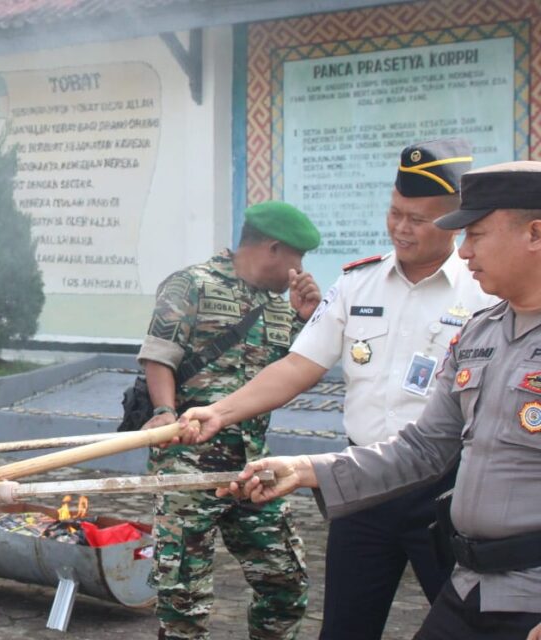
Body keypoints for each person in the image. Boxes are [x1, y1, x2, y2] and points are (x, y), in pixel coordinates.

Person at [178, 140, 496, 639]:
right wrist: (221, 410)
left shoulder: (486, 292)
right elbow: (298, 366)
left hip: (448, 492)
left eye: (417, 218)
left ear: (454, 220)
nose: (400, 228)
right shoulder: (357, 284)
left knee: (470, 630)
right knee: (345, 629)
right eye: (395, 213)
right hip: (362, 485)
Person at [136, 201, 322, 639]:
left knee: (285, 583)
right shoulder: (191, 284)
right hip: (188, 466)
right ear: (274, 249)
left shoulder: (281, 307)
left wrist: (304, 320)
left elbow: (289, 374)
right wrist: (164, 411)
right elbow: (160, 354)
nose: (301, 270)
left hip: (253, 469)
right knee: (184, 601)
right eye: (298, 258)